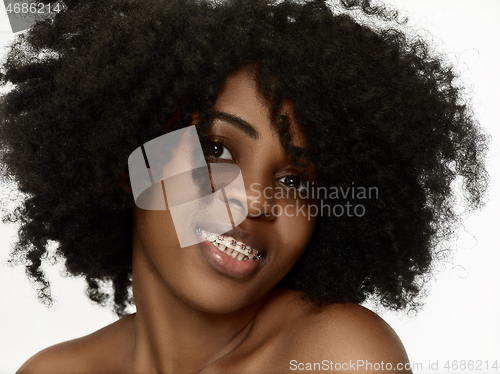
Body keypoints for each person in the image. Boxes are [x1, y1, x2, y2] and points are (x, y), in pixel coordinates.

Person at [0, 0, 488, 372]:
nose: (254, 201)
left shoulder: (336, 355)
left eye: (295, 180)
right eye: (216, 150)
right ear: (134, 160)